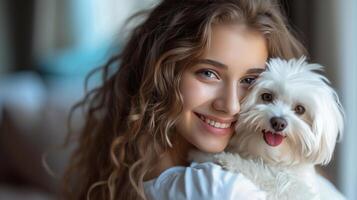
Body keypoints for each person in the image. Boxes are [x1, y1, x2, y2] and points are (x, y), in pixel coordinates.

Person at [62, 0, 307, 199]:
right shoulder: (219, 188)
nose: (231, 105)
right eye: (208, 73)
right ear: (161, 73)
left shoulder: (129, 175)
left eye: (250, 81)